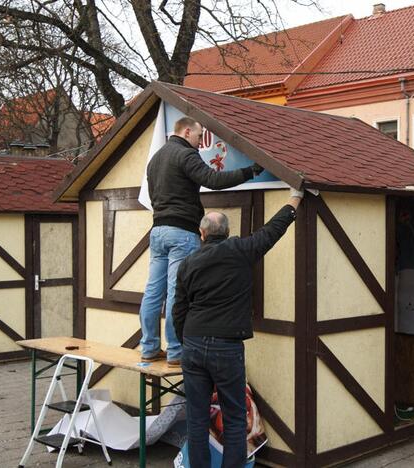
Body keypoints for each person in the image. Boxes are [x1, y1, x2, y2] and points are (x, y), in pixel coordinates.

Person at [173, 189, 304, 468]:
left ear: (202, 234)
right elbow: (273, 230)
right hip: (226, 346)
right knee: (234, 419)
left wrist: (186, 340)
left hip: (194, 343)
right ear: (228, 232)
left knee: (196, 419)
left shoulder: (188, 263)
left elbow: (178, 309)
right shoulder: (241, 250)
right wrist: (295, 199)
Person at [139, 117, 262, 364]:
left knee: (153, 291)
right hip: (181, 231)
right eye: (198, 136)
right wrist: (250, 171)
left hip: (158, 230)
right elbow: (212, 180)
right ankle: (175, 351)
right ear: (186, 132)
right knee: (176, 292)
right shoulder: (185, 155)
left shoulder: (155, 160)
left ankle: (149, 347)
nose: (199, 142)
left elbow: (153, 195)